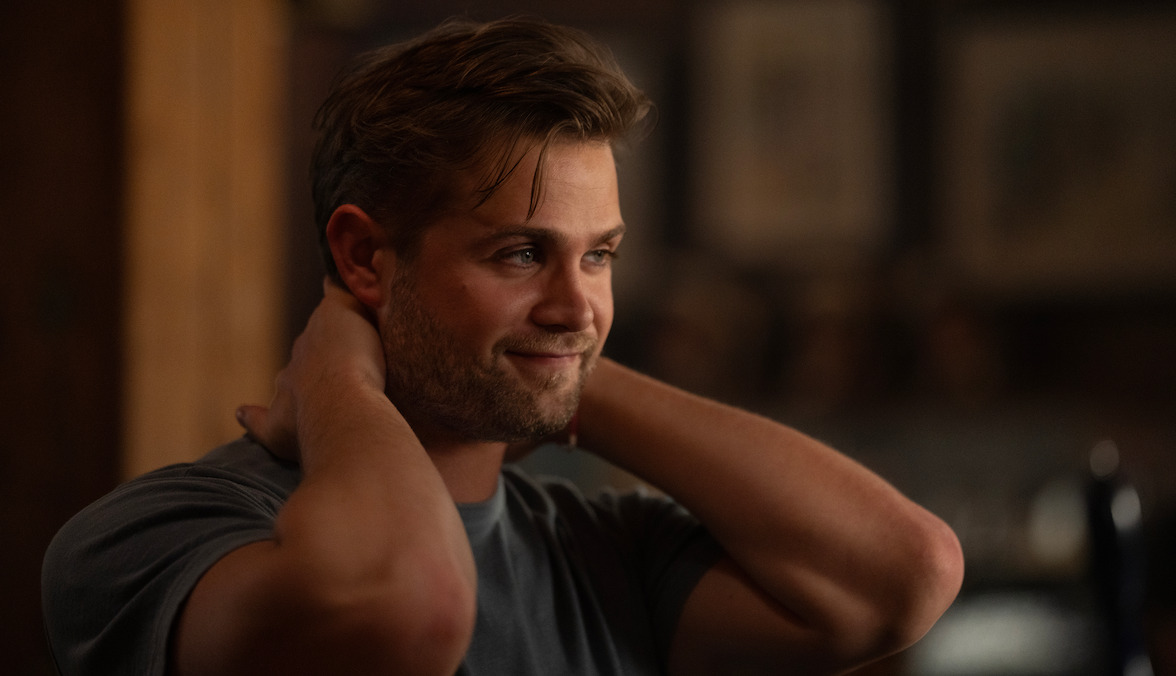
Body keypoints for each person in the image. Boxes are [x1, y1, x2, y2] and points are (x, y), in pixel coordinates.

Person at [42, 16, 963, 676]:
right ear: (364, 256)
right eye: (522, 253)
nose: (578, 303)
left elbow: (904, 573)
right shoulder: (151, 539)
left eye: (599, 256)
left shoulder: (605, 556)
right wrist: (343, 380)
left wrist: (566, 374)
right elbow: (405, 614)